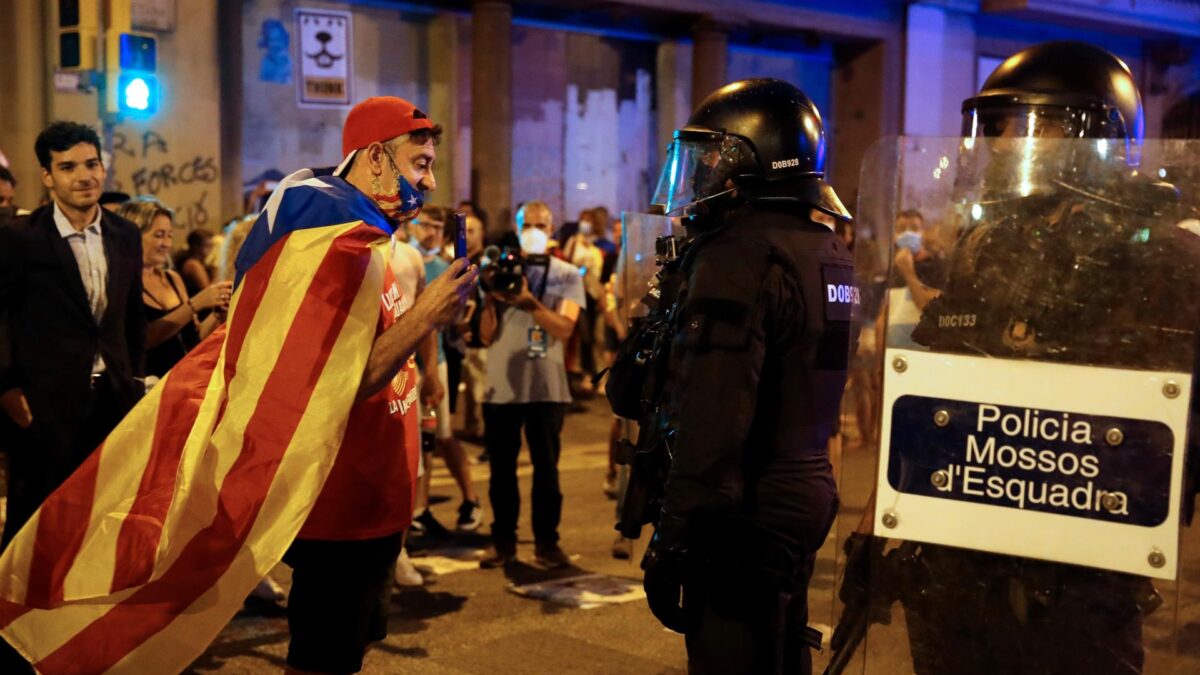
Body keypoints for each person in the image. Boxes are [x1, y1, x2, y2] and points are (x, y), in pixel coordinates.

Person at [628, 79, 856, 675]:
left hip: (741, 511)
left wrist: (675, 540)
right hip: (802, 489)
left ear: (752, 160)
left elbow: (713, 418)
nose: (699, 177)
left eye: (711, 159)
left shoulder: (737, 254)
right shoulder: (825, 246)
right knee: (782, 654)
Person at [0, 121, 146, 548]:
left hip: (113, 399)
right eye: (68, 167)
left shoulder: (124, 234)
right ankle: (17, 612)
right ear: (48, 177)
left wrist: (133, 377)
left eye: (92, 164)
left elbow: (130, 315)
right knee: (34, 525)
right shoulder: (19, 238)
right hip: (44, 405)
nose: (84, 176)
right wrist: (6, 388)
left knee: (105, 518)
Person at [477, 199, 585, 569]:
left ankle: (546, 542)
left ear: (552, 230)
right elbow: (485, 336)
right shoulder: (497, 272)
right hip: (502, 388)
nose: (535, 231)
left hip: (547, 386)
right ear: (518, 228)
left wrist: (527, 301)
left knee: (547, 470)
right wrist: (491, 298)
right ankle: (502, 541)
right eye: (529, 225)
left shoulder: (567, 274)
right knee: (501, 471)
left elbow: (564, 328)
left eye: (542, 225)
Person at [407, 206, 483, 533]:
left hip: (435, 360)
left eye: (437, 227)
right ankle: (418, 510)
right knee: (417, 439)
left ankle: (470, 498)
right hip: (406, 360)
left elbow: (449, 320)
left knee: (442, 435)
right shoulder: (402, 257)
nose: (430, 232)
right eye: (424, 224)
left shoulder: (443, 267)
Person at [116, 197, 231, 379]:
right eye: (159, 235)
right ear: (133, 234)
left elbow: (194, 339)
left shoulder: (173, 278)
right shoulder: (120, 282)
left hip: (178, 384)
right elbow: (139, 339)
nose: (167, 244)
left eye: (169, 235)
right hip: (142, 388)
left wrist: (217, 315)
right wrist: (195, 304)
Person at [175, 228, 216, 297]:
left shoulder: (199, 262)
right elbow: (208, 290)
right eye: (208, 246)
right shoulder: (192, 264)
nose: (211, 250)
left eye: (211, 246)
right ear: (196, 247)